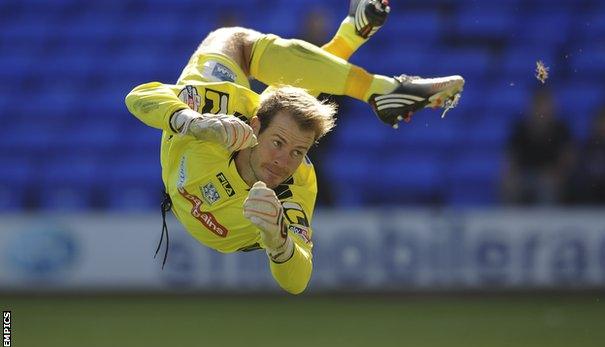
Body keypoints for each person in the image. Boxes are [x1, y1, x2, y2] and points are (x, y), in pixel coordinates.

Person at [125, 0, 464, 294]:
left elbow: (297, 280)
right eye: (278, 144)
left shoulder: (297, 183)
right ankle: (370, 77)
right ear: (253, 125)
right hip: (196, 146)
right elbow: (138, 96)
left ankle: (357, 54)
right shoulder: (223, 106)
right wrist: (194, 122)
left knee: (279, 96)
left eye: (299, 152)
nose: (283, 162)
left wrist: (278, 241)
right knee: (232, 40)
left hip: (217, 227)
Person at [502, 88, 575, 205]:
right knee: (511, 184)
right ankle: (513, 220)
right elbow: (511, 159)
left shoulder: (561, 130)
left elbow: (568, 160)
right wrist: (511, 176)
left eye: (545, 105)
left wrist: (556, 173)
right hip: (525, 176)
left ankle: (547, 220)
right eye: (539, 105)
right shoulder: (520, 129)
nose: (542, 110)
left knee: (547, 185)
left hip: (551, 177)